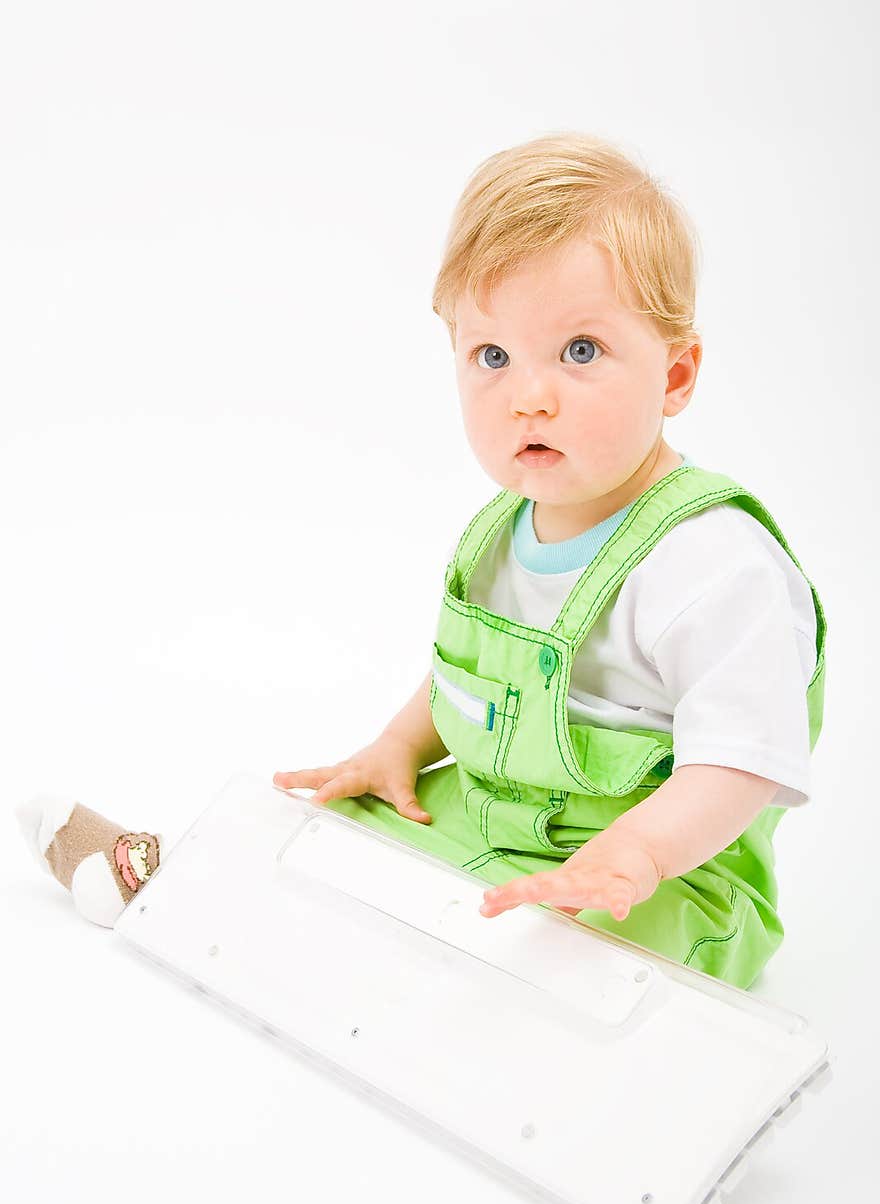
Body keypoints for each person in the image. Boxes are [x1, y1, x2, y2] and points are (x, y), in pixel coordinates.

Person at [17, 133, 825, 991]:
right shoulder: (502, 531)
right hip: (483, 813)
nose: (530, 394)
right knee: (326, 830)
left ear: (676, 374)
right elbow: (474, 678)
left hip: (661, 875)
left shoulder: (715, 566)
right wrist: (399, 743)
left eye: (580, 351)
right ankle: (175, 881)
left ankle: (409, 986)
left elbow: (745, 759)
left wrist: (636, 851)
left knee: (563, 958)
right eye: (493, 356)